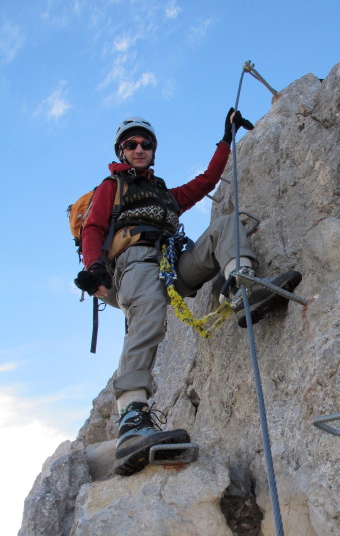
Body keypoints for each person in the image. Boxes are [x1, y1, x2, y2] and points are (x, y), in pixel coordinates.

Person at [74, 109, 302, 476]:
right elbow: (95, 226)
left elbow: (206, 181)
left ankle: (243, 285)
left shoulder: (163, 194)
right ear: (121, 150)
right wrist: (93, 267)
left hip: (168, 264)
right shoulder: (111, 187)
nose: (139, 148)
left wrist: (225, 140)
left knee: (225, 226)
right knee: (148, 312)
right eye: (131, 144)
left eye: (146, 143)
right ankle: (132, 417)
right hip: (132, 264)